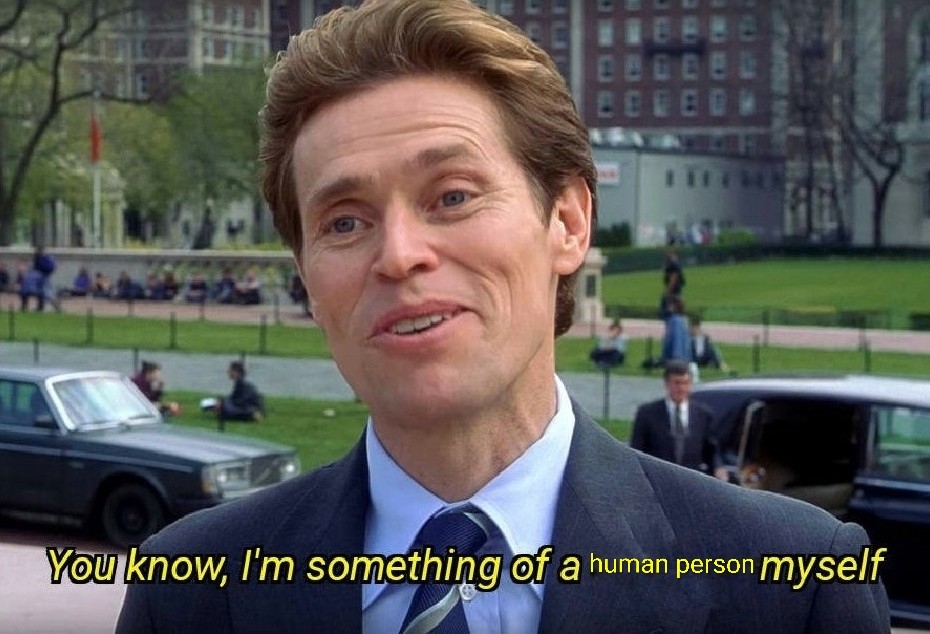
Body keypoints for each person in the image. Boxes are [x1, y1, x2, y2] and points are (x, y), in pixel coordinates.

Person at [118, 2, 889, 632]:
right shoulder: (188, 594)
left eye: (452, 196)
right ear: (308, 283)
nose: (399, 255)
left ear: (569, 223)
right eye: (344, 222)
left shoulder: (794, 590)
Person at [631, 360, 728, 480]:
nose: (681, 388)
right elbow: (637, 450)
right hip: (659, 479)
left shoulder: (703, 415)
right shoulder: (647, 414)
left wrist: (718, 467)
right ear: (667, 384)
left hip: (692, 480)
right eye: (677, 383)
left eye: (685, 383)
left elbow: (711, 450)